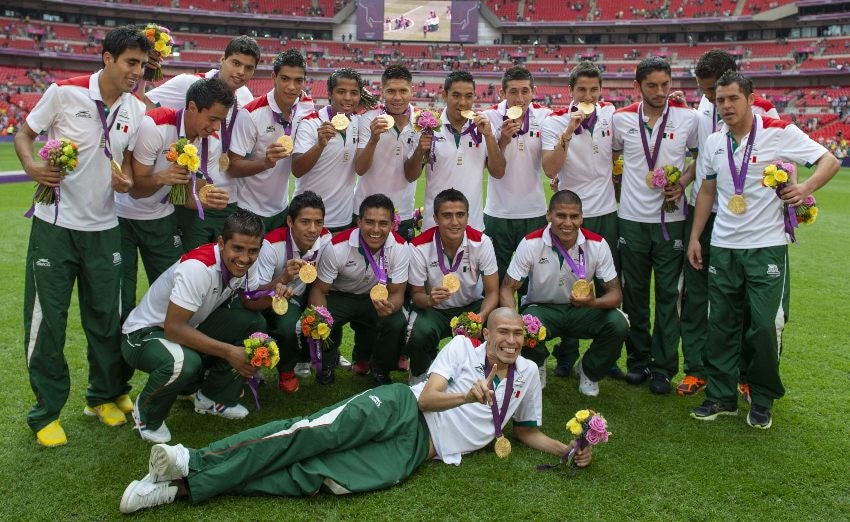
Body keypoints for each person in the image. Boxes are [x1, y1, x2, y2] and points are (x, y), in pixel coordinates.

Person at [118, 308, 592, 513]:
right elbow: (427, 397)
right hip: (402, 409)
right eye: (501, 333)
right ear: (488, 334)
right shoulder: (461, 349)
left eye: (516, 335)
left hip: (419, 451)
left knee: (315, 477)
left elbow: (526, 430)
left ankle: (179, 488)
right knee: (307, 433)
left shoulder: (527, 373)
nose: (510, 341)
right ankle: (192, 460)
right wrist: (467, 396)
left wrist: (567, 448)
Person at [15, 25, 151, 447]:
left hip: (104, 230)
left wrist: (127, 181)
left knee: (107, 320)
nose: (137, 72)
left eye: (143, 66)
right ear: (107, 58)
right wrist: (33, 168)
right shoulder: (64, 92)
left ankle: (102, 395)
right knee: (48, 323)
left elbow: (126, 167)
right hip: (55, 228)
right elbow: (25, 135)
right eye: (131, 63)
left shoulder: (135, 110)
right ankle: (45, 414)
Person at [687, 71, 839, 429]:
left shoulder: (778, 130)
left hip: (766, 248)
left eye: (732, 98)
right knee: (720, 324)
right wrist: (696, 237)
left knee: (763, 327)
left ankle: (762, 397)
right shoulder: (713, 142)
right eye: (719, 100)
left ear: (750, 97)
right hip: (723, 245)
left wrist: (804, 189)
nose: (725, 105)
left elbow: (828, 160)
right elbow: (707, 191)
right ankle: (721, 397)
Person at [676, 49, 780, 400]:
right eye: (706, 92)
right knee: (696, 295)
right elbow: (702, 161)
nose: (711, 99)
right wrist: (685, 181)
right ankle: (697, 370)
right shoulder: (705, 108)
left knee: (750, 304)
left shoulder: (764, 111)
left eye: (714, 92)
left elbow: (782, 164)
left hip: (748, 220)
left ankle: (747, 375)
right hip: (705, 213)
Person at [121, 209, 269, 443]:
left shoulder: (244, 266)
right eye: (237, 248)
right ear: (221, 243)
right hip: (143, 335)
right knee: (185, 362)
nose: (244, 258)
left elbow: (251, 301)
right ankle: (146, 415)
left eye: (253, 251)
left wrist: (282, 284)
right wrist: (230, 352)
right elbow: (173, 328)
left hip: (187, 325)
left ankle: (212, 397)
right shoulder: (198, 268)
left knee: (255, 325)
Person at [612, 57, 698, 395]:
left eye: (665, 84)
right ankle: (638, 362)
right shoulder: (620, 120)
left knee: (667, 298)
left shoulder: (688, 119)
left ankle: (662, 368)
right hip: (631, 221)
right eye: (652, 86)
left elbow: (701, 157)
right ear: (638, 87)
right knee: (633, 297)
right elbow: (607, 156)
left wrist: (684, 181)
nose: (660, 92)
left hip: (671, 221)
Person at [121, 78, 234, 323]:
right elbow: (136, 190)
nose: (216, 127)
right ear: (192, 107)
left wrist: (209, 199)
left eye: (220, 121)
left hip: (162, 218)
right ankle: (120, 358)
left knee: (173, 294)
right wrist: (162, 177)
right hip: (123, 218)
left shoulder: (211, 143)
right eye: (212, 118)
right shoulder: (156, 124)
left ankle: (169, 353)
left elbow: (190, 200)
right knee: (121, 297)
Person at [500, 191, 628, 396]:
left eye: (574, 216)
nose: (568, 223)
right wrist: (513, 319)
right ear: (548, 215)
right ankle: (537, 364)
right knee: (525, 323)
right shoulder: (531, 243)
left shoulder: (597, 244)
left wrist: (593, 302)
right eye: (561, 215)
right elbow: (507, 287)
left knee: (618, 323)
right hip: (543, 310)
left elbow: (615, 295)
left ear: (581, 217)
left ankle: (589, 370)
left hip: (583, 310)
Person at [541, 60, 623, 380]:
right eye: (582, 90)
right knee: (568, 284)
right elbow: (550, 169)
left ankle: (607, 355)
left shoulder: (611, 116)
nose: (588, 95)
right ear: (571, 92)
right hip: (569, 218)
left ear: (601, 90)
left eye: (594, 89)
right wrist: (569, 131)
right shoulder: (555, 122)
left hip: (605, 213)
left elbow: (615, 153)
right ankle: (566, 353)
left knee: (605, 284)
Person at [142, 35, 261, 248]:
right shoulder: (189, 83)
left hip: (229, 199)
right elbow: (145, 108)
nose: (241, 72)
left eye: (248, 68)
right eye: (236, 63)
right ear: (222, 60)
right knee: (191, 268)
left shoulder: (245, 96)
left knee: (222, 269)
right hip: (190, 197)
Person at [308, 194, 409, 386]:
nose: (376, 230)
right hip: (339, 296)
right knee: (320, 317)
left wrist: (390, 306)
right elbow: (319, 290)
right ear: (359, 222)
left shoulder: (400, 247)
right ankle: (326, 364)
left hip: (376, 299)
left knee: (396, 321)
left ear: (392, 225)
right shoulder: (337, 246)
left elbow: (397, 293)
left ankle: (380, 367)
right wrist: (321, 317)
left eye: (383, 223)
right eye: (369, 222)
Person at [406, 189, 499, 383]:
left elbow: (492, 293)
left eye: (460, 215)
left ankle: (484, 372)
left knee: (497, 322)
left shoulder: (482, 242)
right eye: (447, 215)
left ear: (468, 216)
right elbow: (416, 295)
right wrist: (430, 299)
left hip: (471, 307)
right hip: (435, 309)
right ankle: (420, 373)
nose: (455, 222)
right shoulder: (418, 246)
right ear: (435, 218)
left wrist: (479, 318)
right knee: (419, 333)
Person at [404, 70, 505, 231]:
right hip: (434, 225)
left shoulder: (484, 127)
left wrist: (489, 136)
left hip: (473, 225)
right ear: (444, 95)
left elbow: (498, 172)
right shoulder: (428, 127)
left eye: (468, 96)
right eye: (456, 95)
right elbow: (410, 176)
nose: (463, 102)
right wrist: (419, 151)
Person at [251, 191, 331, 393]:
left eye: (318, 222)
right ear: (290, 221)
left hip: (305, 294)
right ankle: (285, 370)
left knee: (326, 316)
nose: (313, 229)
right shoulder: (271, 244)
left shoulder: (326, 239)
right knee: (287, 326)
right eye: (305, 222)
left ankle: (312, 359)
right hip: (269, 299)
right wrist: (283, 279)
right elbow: (255, 291)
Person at [228, 49, 315, 232]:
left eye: (298, 81)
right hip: (248, 209)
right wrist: (266, 162)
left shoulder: (306, 107)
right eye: (285, 79)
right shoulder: (250, 114)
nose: (291, 87)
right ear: (273, 77)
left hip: (281, 209)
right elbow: (233, 167)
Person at [482, 66, 551, 286]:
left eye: (524, 91)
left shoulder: (545, 116)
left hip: (535, 212)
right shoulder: (489, 117)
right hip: (498, 213)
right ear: (502, 93)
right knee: (496, 279)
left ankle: (531, 321)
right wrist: (501, 140)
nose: (519, 98)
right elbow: (492, 169)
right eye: (513, 92)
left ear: (534, 92)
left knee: (532, 283)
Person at [292, 68, 373, 233]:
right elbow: (297, 170)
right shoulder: (311, 123)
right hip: (308, 219)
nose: (348, 98)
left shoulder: (358, 122)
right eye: (341, 92)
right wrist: (320, 144)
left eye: (354, 93)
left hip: (343, 220)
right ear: (329, 93)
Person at [354, 64, 419, 241]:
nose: (397, 97)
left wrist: (422, 148)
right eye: (391, 91)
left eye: (403, 91)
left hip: (402, 212)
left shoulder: (421, 121)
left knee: (400, 267)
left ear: (412, 90)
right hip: (366, 211)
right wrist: (374, 139)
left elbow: (412, 175)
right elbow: (360, 168)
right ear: (382, 91)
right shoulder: (369, 118)